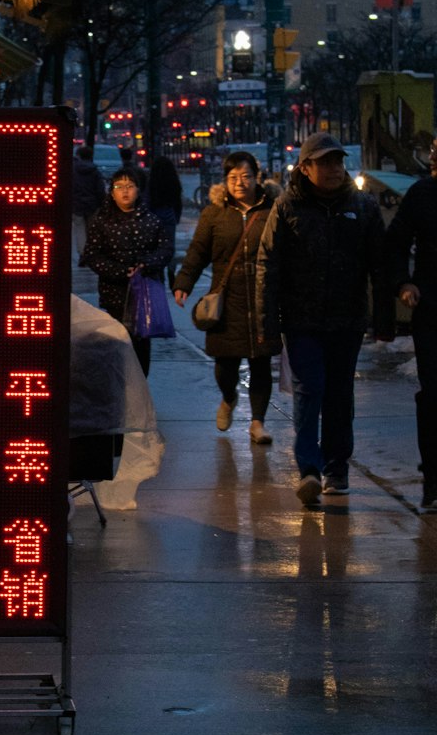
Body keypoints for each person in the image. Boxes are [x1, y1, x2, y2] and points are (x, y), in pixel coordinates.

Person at [256, 132, 394, 506]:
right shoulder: (286, 208)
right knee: (308, 390)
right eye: (325, 162)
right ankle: (309, 470)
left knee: (338, 395)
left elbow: (380, 266)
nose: (334, 169)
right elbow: (268, 267)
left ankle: (337, 467)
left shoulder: (362, 207)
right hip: (301, 322)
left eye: (337, 161)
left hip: (347, 321)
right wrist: (267, 328)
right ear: (305, 167)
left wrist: (384, 321)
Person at [172, 150, 280, 444]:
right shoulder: (214, 214)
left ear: (257, 178)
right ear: (225, 181)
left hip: (262, 299)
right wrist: (184, 282)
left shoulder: (274, 210)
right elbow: (198, 252)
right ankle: (228, 397)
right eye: (233, 177)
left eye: (246, 176)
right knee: (225, 365)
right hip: (226, 300)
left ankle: (258, 423)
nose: (240, 183)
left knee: (261, 362)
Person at [385, 136, 437, 510]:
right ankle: (434, 477)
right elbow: (396, 243)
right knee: (434, 393)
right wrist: (404, 282)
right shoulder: (422, 195)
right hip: (432, 305)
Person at [81, 168, 173, 376]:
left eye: (130, 186)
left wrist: (147, 265)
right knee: (118, 343)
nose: (125, 192)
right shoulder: (101, 221)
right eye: (119, 187)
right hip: (114, 294)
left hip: (144, 294)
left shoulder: (151, 220)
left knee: (142, 345)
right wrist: (119, 271)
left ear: (138, 190)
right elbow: (92, 255)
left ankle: (140, 386)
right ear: (111, 192)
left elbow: (166, 249)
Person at [145, 155, 183, 287]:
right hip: (169, 216)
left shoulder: (152, 183)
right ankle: (171, 270)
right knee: (170, 246)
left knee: (156, 247)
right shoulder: (174, 182)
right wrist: (176, 217)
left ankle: (159, 273)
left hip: (155, 216)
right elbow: (178, 202)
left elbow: (147, 201)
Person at [72, 144, 108, 259]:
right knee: (91, 230)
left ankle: (82, 252)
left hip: (77, 204)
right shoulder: (95, 171)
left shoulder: (73, 170)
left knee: (79, 229)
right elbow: (100, 190)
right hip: (92, 205)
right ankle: (91, 252)